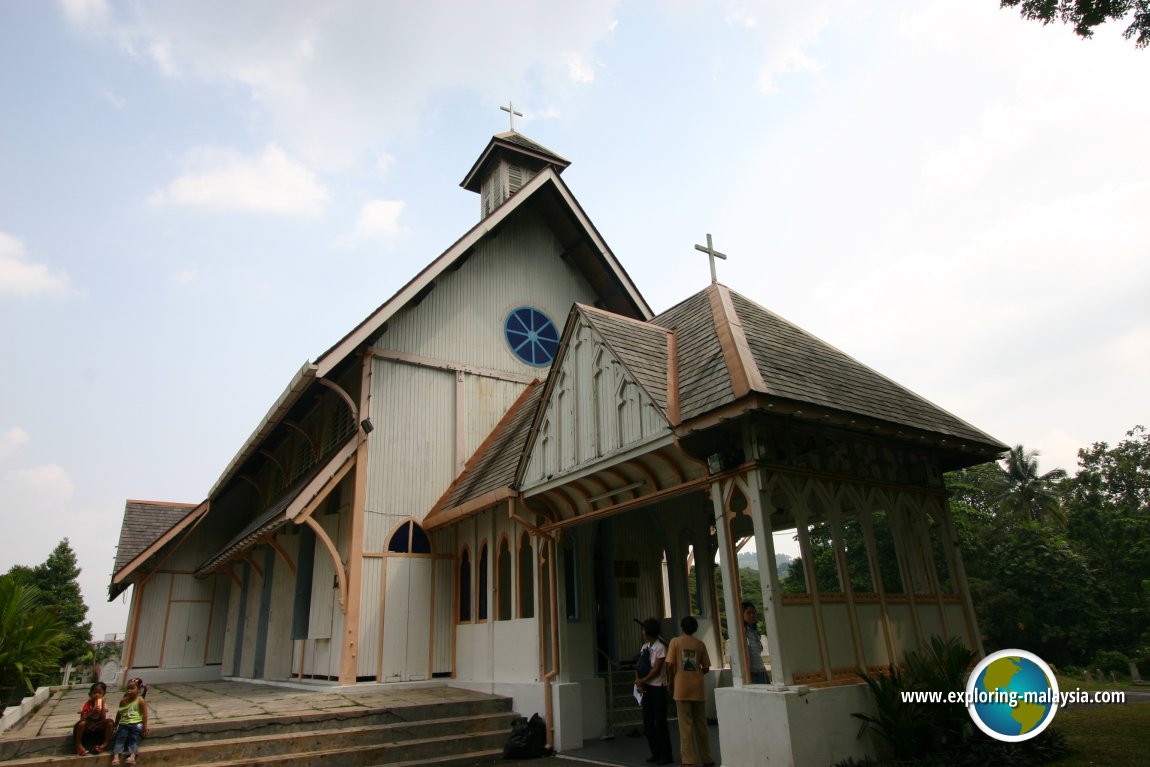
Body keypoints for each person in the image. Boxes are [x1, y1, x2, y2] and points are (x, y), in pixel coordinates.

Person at [666, 616, 714, 767]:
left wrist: (671, 681)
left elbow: (669, 665)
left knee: (685, 725)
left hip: (681, 687)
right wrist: (696, 673)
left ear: (681, 627)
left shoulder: (675, 642)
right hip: (698, 687)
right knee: (701, 723)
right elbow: (706, 667)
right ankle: (706, 757)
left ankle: (688, 760)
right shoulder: (700, 644)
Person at [634, 617, 673, 765]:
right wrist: (638, 681)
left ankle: (666, 754)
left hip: (658, 687)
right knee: (648, 722)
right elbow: (638, 665)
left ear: (648, 631)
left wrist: (642, 680)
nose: (642, 632)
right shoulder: (644, 647)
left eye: (644, 629)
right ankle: (655, 753)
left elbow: (657, 670)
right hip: (647, 687)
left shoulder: (660, 648)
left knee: (660, 722)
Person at [111, 677, 148, 766]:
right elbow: (119, 714)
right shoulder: (123, 701)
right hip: (124, 724)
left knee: (134, 739)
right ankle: (116, 755)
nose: (129, 691)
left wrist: (145, 727)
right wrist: (115, 725)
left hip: (136, 724)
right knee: (120, 738)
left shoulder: (140, 700)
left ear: (139, 690)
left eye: (132, 688)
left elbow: (145, 715)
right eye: (128, 688)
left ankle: (132, 755)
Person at [73, 681, 113, 756]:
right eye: (94, 693)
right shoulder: (87, 704)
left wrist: (102, 706)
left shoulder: (103, 704)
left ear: (103, 695)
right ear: (90, 694)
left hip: (98, 724)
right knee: (82, 724)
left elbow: (103, 718)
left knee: (110, 722)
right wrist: (92, 711)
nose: (97, 695)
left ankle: (104, 744)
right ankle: (78, 745)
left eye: (100, 693)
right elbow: (82, 719)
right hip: (88, 724)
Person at [742, 601, 769, 684]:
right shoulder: (742, 632)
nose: (752, 615)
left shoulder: (754, 632)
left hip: (762, 672)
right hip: (751, 674)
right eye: (748, 613)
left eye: (753, 613)